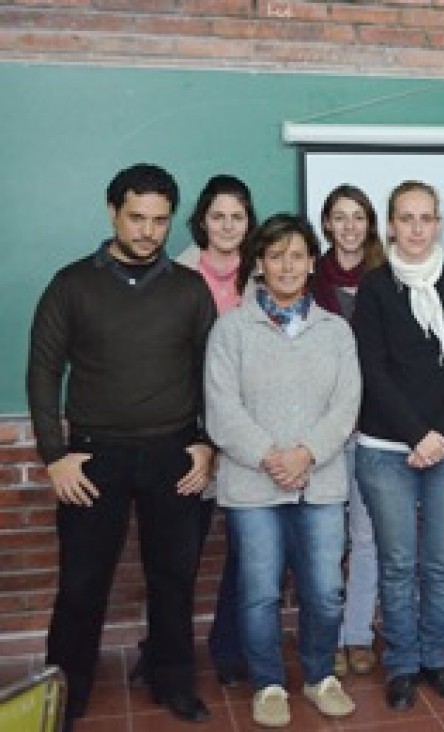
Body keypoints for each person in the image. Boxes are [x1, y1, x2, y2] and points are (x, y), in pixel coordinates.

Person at [27, 163, 216, 725]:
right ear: (113, 212)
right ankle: (66, 691)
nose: (148, 232)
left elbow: (213, 373)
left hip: (174, 454)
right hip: (92, 457)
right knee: (83, 583)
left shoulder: (189, 289)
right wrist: (54, 456)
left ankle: (173, 680)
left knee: (174, 578)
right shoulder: (72, 285)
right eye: (137, 218)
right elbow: (43, 372)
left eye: (160, 221)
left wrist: (208, 444)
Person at [204, 213, 361, 727]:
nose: (287, 265)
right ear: (259, 264)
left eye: (297, 255)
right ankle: (269, 683)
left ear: (312, 261)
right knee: (260, 590)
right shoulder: (231, 329)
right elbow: (221, 408)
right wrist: (271, 456)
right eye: (276, 256)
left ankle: (319, 676)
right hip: (253, 484)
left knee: (324, 588)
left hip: (320, 481)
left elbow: (346, 405)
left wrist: (306, 455)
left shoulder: (336, 331)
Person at [353, 180, 444, 710]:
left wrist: (440, 436)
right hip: (387, 449)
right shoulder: (376, 288)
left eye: (425, 218)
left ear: (438, 226)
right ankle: (403, 663)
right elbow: (375, 368)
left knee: (442, 564)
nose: (415, 228)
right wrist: (417, 435)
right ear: (390, 225)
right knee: (398, 562)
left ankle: (436, 658)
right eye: (405, 218)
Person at [151, 174, 257, 689]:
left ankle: (230, 648)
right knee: (178, 557)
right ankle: (163, 653)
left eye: (237, 217)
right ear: (201, 221)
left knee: (246, 556)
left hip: (247, 442)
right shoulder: (175, 274)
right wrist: (200, 441)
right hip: (188, 442)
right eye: (218, 216)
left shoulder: (264, 277)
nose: (228, 226)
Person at [312, 184, 387, 679]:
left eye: (358, 217)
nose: (349, 226)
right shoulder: (306, 277)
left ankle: (356, 634)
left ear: (370, 223)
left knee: (367, 536)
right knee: (324, 538)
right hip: (319, 430)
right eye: (340, 217)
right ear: (327, 223)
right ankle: (325, 636)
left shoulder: (390, 277)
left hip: (375, 429)